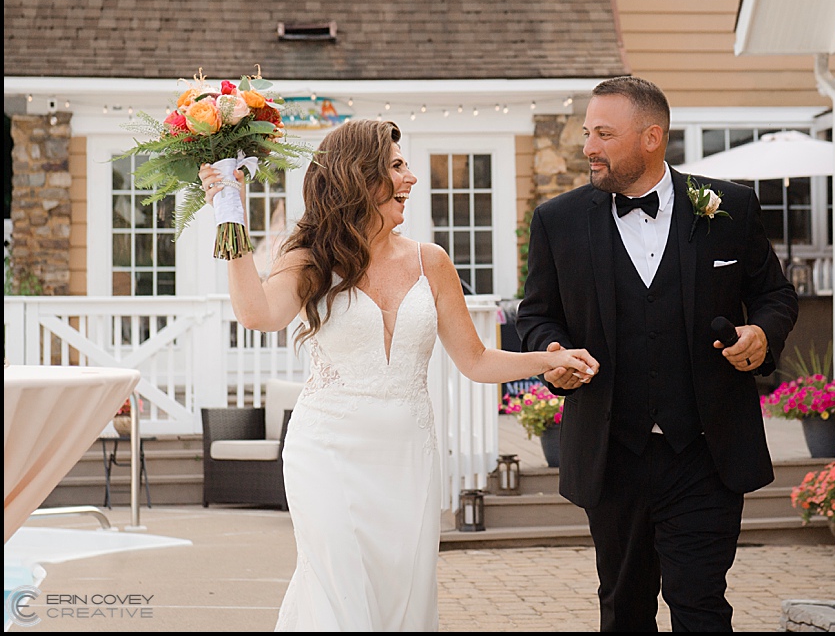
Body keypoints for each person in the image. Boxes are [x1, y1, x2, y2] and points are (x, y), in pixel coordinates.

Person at [199, 119, 598, 632]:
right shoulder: (308, 258)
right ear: (358, 177)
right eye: (397, 166)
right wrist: (228, 215)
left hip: (408, 456)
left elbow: (475, 360)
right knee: (337, 591)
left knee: (402, 595)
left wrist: (548, 359)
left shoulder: (431, 262)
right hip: (326, 452)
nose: (411, 178)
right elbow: (258, 315)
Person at [517, 76, 799, 631]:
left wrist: (763, 334)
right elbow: (536, 315)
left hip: (705, 451)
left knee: (701, 605)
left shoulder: (730, 208)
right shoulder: (559, 221)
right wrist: (551, 351)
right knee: (624, 609)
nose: (588, 147)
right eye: (586, 133)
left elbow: (775, 296)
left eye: (603, 134)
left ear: (651, 137)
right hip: (611, 453)